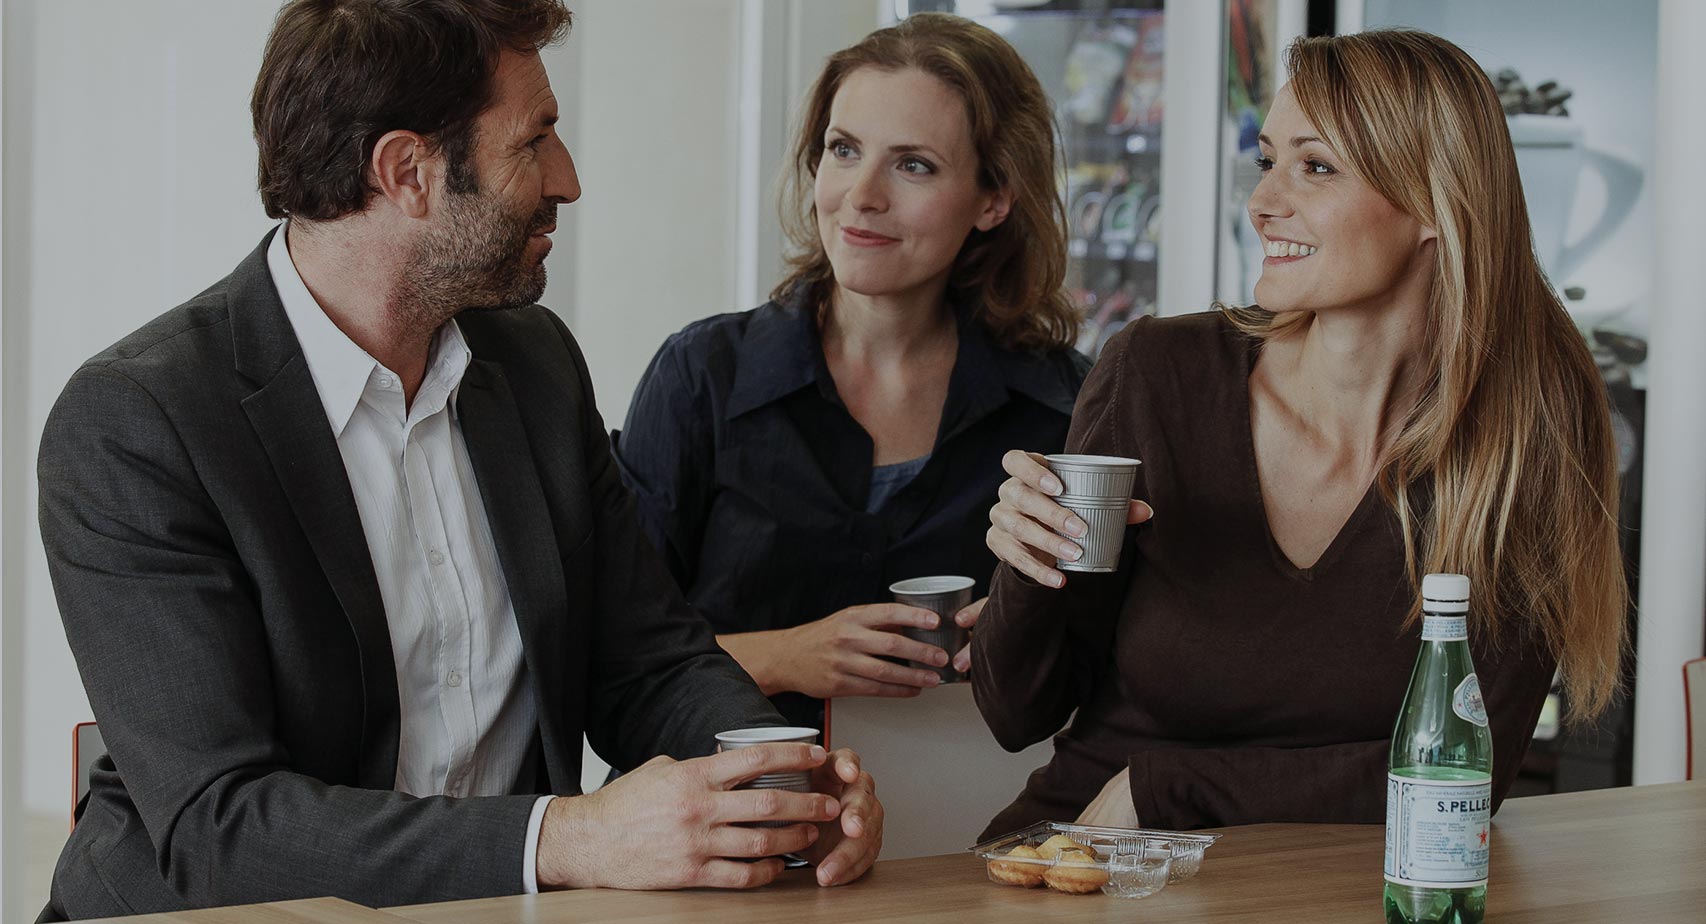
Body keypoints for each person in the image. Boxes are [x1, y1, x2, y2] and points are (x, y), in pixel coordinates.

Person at [36, 2, 881, 919]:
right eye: (536, 140)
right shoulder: (138, 420)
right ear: (408, 171)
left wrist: (784, 782)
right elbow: (217, 825)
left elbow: (651, 664)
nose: (568, 179)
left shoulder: (536, 364)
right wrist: (569, 837)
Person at [973, 30, 1628, 837]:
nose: (1263, 199)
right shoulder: (1159, 372)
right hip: (1082, 859)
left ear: (1433, 200)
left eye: (1315, 167)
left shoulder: (1525, 434)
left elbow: (1465, 775)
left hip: (1341, 889)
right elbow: (1015, 711)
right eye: (1268, 159)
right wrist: (1026, 566)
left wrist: (1174, 790)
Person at [612, 13, 1088, 729]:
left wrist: (1027, 640)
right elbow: (609, 665)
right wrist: (786, 655)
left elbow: (1107, 680)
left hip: (961, 828)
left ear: (994, 199)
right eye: (843, 150)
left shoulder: (1062, 406)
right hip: (716, 822)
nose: (861, 195)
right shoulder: (701, 376)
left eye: (913, 164)